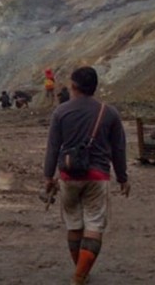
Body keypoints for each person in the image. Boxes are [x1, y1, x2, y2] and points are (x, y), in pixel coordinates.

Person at [43, 66, 130, 285]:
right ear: (94, 87)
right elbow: (119, 148)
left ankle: (80, 271)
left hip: (68, 177)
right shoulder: (109, 112)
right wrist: (122, 177)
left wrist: (48, 177)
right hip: (97, 177)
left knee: (74, 225)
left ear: (73, 86)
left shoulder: (61, 112)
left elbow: (52, 147)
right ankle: (80, 275)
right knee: (94, 225)